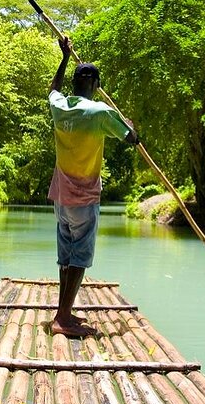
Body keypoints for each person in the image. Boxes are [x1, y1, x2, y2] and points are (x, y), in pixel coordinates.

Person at [48, 37, 139, 337]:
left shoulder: (60, 108)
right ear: (97, 84)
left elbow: (52, 91)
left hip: (60, 197)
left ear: (74, 84)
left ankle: (64, 313)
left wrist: (63, 58)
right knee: (80, 258)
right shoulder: (101, 113)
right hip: (84, 199)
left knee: (66, 256)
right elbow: (132, 140)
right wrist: (129, 123)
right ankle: (62, 318)